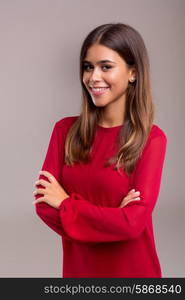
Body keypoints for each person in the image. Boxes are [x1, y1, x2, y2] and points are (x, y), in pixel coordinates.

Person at [33, 23, 167, 278]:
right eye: (88, 67)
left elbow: (132, 225)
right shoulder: (64, 131)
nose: (93, 77)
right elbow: (44, 207)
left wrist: (65, 203)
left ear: (133, 73)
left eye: (106, 67)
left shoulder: (152, 139)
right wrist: (114, 218)